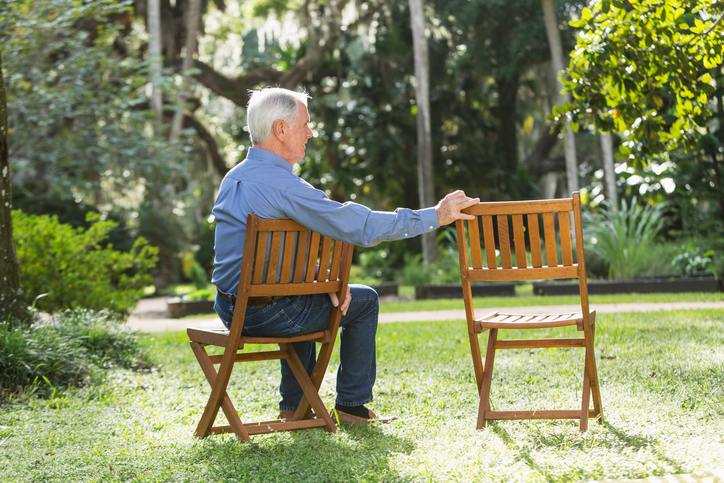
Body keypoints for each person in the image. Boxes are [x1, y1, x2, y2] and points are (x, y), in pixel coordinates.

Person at [211, 87, 478, 424]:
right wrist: (435, 216)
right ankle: (352, 406)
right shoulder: (284, 186)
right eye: (304, 125)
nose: (310, 133)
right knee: (363, 301)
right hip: (269, 313)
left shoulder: (232, 178)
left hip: (230, 308)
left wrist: (323, 281)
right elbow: (359, 226)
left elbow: (266, 258)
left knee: (304, 297)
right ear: (280, 130)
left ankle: (293, 407)